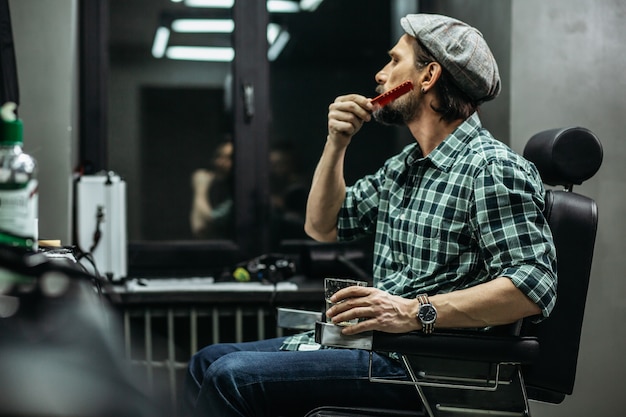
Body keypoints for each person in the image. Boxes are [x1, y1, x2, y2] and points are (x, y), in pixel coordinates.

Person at [182, 13, 557, 416]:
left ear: (427, 77)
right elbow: (323, 226)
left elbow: (533, 284)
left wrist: (412, 312)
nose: (380, 75)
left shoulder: (492, 167)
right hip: (380, 349)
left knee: (230, 376)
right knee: (204, 363)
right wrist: (336, 143)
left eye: (394, 61)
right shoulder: (405, 166)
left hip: (424, 368)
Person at [189, 138, 234, 239]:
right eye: (219, 156)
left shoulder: (236, 191)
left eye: (228, 158)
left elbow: (208, 221)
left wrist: (200, 188)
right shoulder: (210, 182)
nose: (221, 162)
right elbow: (197, 227)